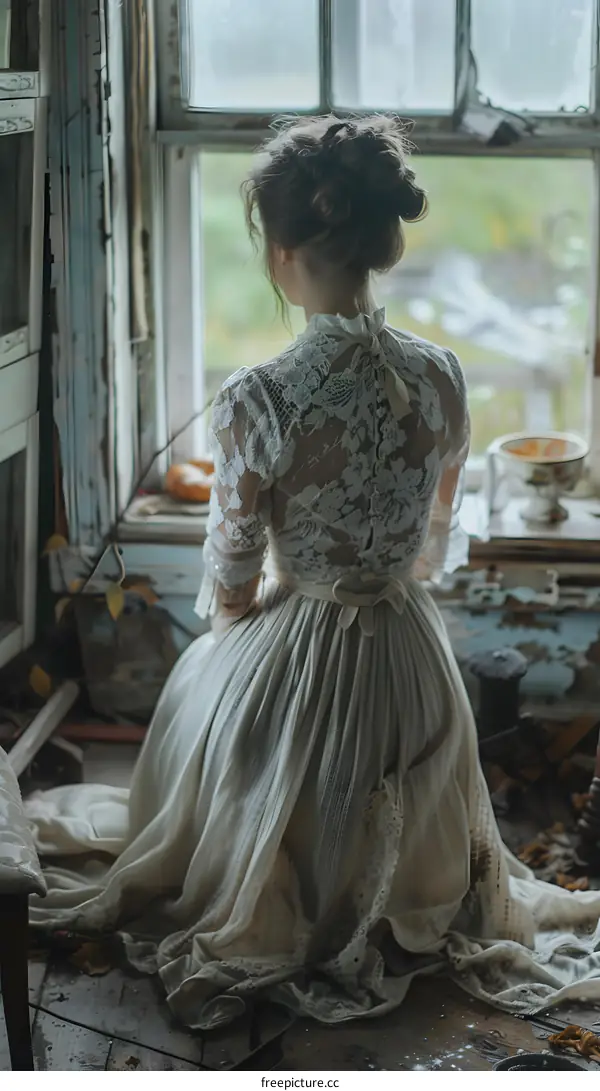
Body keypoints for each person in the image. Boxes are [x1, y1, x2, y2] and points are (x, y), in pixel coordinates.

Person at [25, 116, 600, 1030]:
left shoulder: (260, 396)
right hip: (408, 639)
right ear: (383, 242)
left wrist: (236, 635)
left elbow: (236, 566)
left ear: (283, 252)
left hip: (305, 620)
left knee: (208, 700)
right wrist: (384, 583)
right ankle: (399, 893)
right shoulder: (444, 375)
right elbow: (435, 538)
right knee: (396, 765)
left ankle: (284, 886)